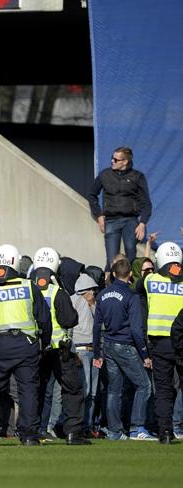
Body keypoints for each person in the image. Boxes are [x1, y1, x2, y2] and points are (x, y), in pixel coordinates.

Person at [0, 244, 52, 446]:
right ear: (15, 262)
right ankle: (29, 435)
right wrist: (43, 344)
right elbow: (44, 319)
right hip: (25, 344)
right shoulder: (29, 286)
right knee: (28, 390)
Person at [30, 247, 90, 445]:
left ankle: (33, 431)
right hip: (59, 350)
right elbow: (69, 319)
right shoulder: (58, 292)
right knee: (71, 390)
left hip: (36, 349)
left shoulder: (27, 290)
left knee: (35, 391)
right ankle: (73, 433)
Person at [93, 258, 155, 441]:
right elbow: (136, 329)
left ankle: (114, 431)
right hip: (126, 346)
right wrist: (145, 354)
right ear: (130, 275)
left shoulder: (102, 295)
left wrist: (97, 353)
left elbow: (96, 327)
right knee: (144, 385)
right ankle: (137, 428)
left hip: (109, 345)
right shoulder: (132, 295)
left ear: (113, 274)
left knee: (113, 389)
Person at [139, 241, 183, 444]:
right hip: (181, 341)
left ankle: (165, 432)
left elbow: (136, 286)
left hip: (160, 344)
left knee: (163, 389)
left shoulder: (150, 280)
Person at [87, 146, 152, 270]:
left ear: (125, 162)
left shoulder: (137, 177)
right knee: (112, 259)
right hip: (111, 220)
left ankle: (132, 285)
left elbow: (146, 203)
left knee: (130, 252)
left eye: (116, 160)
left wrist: (142, 223)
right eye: (112, 158)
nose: (112, 161)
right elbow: (91, 195)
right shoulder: (105, 175)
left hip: (130, 220)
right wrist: (99, 216)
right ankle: (110, 286)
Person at [70, 273, 100, 437]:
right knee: (85, 391)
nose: (94, 293)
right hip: (81, 350)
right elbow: (69, 327)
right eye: (91, 290)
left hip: (93, 351)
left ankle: (87, 427)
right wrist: (74, 351)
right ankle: (78, 426)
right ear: (84, 291)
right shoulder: (73, 301)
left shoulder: (93, 305)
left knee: (93, 393)